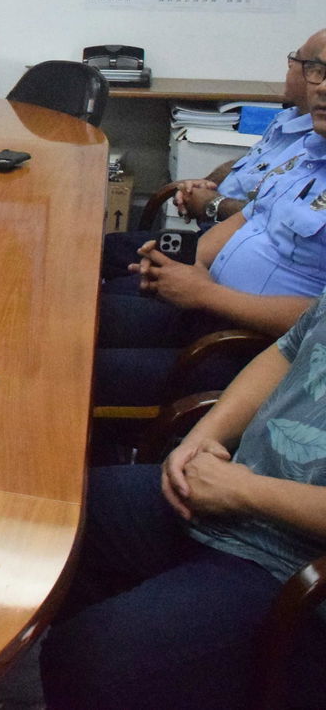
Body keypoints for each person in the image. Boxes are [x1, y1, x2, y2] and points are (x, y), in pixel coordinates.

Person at [41, 299, 326, 710]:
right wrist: (199, 438)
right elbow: (287, 350)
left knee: (93, 660)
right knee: (55, 515)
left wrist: (243, 491)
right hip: (227, 490)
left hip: (290, 563)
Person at [92, 38, 326, 406]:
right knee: (78, 323)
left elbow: (319, 323)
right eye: (318, 71)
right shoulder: (311, 152)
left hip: (251, 349)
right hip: (210, 310)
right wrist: (195, 270)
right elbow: (251, 215)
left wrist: (205, 292)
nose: (322, 86)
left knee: (84, 371)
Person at [102, 28, 325, 279]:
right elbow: (250, 165)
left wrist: (212, 204)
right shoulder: (289, 119)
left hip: (233, 271)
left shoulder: (314, 136)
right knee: (106, 252)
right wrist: (208, 183)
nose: (289, 66)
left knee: (104, 270)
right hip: (214, 248)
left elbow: (265, 214)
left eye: (299, 61)